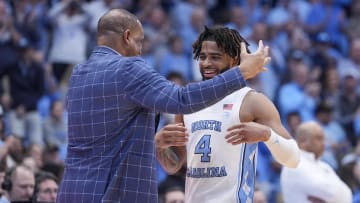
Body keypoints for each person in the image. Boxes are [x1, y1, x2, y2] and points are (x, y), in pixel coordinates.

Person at [57, 9, 270, 203]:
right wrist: (241, 72)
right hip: (115, 193)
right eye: (139, 42)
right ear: (127, 37)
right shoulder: (127, 68)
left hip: (73, 190)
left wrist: (154, 142)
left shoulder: (78, 74)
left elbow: (106, 137)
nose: (140, 51)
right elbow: (180, 99)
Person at [155, 26, 299, 203]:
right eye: (202, 57)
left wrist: (267, 135)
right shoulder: (188, 102)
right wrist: (160, 146)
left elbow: (293, 159)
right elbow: (173, 165)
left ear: (233, 60)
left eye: (215, 57)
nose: (206, 63)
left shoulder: (252, 101)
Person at [280, 121, 352, 203]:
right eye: (318, 138)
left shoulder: (323, 165)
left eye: (323, 139)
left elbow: (347, 195)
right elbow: (333, 194)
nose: (323, 143)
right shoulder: (293, 165)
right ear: (303, 141)